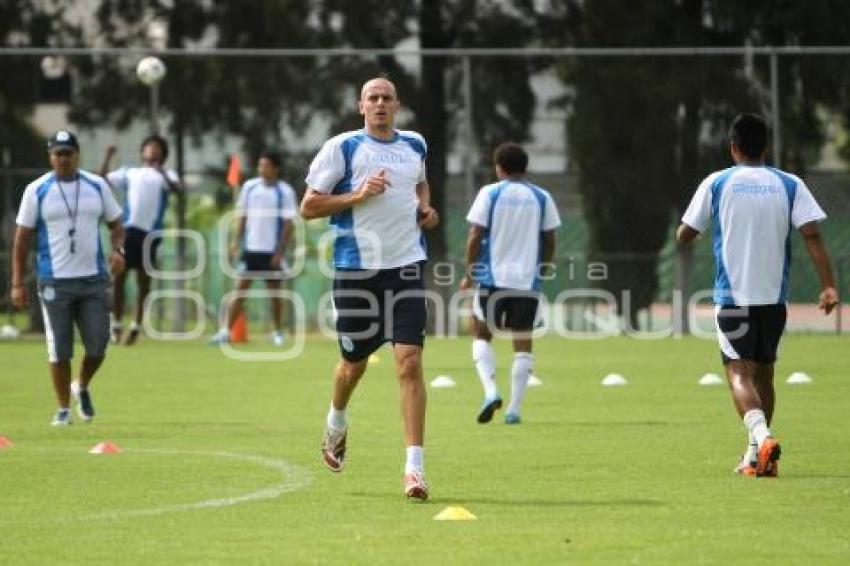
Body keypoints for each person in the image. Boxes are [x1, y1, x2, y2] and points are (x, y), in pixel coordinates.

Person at [677, 113, 839, 477]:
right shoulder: (790, 184)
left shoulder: (717, 182)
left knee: (738, 373)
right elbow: (812, 234)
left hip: (733, 298)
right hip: (774, 300)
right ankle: (756, 459)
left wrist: (697, 232)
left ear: (732, 147)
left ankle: (762, 437)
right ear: (766, 146)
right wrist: (828, 285)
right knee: (764, 376)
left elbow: (684, 235)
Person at [300, 77, 439, 500]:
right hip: (356, 271)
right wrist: (357, 195)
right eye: (372, 98)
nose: (380, 104)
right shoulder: (341, 148)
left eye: (386, 98)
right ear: (361, 106)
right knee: (353, 364)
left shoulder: (415, 144)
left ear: (398, 105)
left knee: (409, 362)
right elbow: (309, 207)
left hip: (407, 267)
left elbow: (419, 183)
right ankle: (336, 419)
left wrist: (425, 209)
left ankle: (414, 470)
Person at [11, 130, 125, 426]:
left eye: (68, 153)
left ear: (77, 154)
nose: (63, 159)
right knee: (59, 348)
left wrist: (119, 251)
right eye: (57, 154)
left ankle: (82, 384)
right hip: (54, 281)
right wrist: (17, 282)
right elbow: (22, 240)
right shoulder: (36, 190)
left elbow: (116, 224)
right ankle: (63, 409)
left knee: (99, 344)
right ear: (50, 157)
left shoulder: (96, 186)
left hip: (93, 280)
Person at [459, 142, 560, 425]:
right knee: (523, 343)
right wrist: (543, 267)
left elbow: (475, 234)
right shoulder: (542, 197)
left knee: (480, 334)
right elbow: (550, 238)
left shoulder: (490, 193)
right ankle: (514, 410)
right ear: (525, 168)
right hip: (526, 280)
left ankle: (491, 391)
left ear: (498, 167)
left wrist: (470, 272)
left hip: (492, 278)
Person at [100, 134, 182, 345]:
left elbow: (176, 189)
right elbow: (102, 181)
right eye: (148, 147)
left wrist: (161, 170)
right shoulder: (129, 172)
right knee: (119, 277)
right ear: (142, 151)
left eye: (156, 148)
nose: (152, 150)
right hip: (127, 231)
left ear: (163, 154)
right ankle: (116, 325)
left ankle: (136, 325)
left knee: (143, 281)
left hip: (150, 234)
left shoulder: (167, 174)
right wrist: (108, 157)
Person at [210, 150, 298, 345]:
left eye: (266, 165)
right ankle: (225, 332)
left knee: (274, 294)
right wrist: (235, 242)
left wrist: (279, 252)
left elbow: (288, 224)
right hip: (250, 250)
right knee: (239, 291)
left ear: (275, 168)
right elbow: (243, 217)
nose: (262, 169)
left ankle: (277, 332)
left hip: (272, 252)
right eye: (260, 165)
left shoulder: (285, 192)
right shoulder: (249, 187)